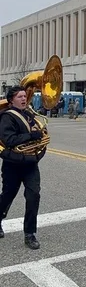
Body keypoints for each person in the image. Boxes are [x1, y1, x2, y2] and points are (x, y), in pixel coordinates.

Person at [0, 86, 46, 249]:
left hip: (30, 164)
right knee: (7, 195)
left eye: (25, 96)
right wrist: (30, 136)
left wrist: (38, 151)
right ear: (11, 100)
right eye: (20, 96)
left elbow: (41, 138)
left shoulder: (29, 115)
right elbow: (9, 140)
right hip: (12, 165)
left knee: (34, 196)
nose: (24, 98)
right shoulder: (7, 117)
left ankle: (30, 234)